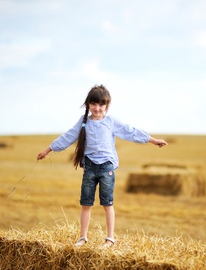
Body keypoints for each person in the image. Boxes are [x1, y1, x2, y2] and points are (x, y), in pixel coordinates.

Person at [37, 84, 167, 247]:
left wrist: (153, 140)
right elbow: (69, 136)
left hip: (107, 167)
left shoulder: (111, 121)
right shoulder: (84, 122)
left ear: (107, 105)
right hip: (90, 167)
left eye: (101, 104)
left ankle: (110, 238)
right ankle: (82, 237)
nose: (97, 108)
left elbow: (130, 131)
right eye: (94, 104)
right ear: (88, 104)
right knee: (86, 203)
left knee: (107, 203)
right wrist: (48, 150)